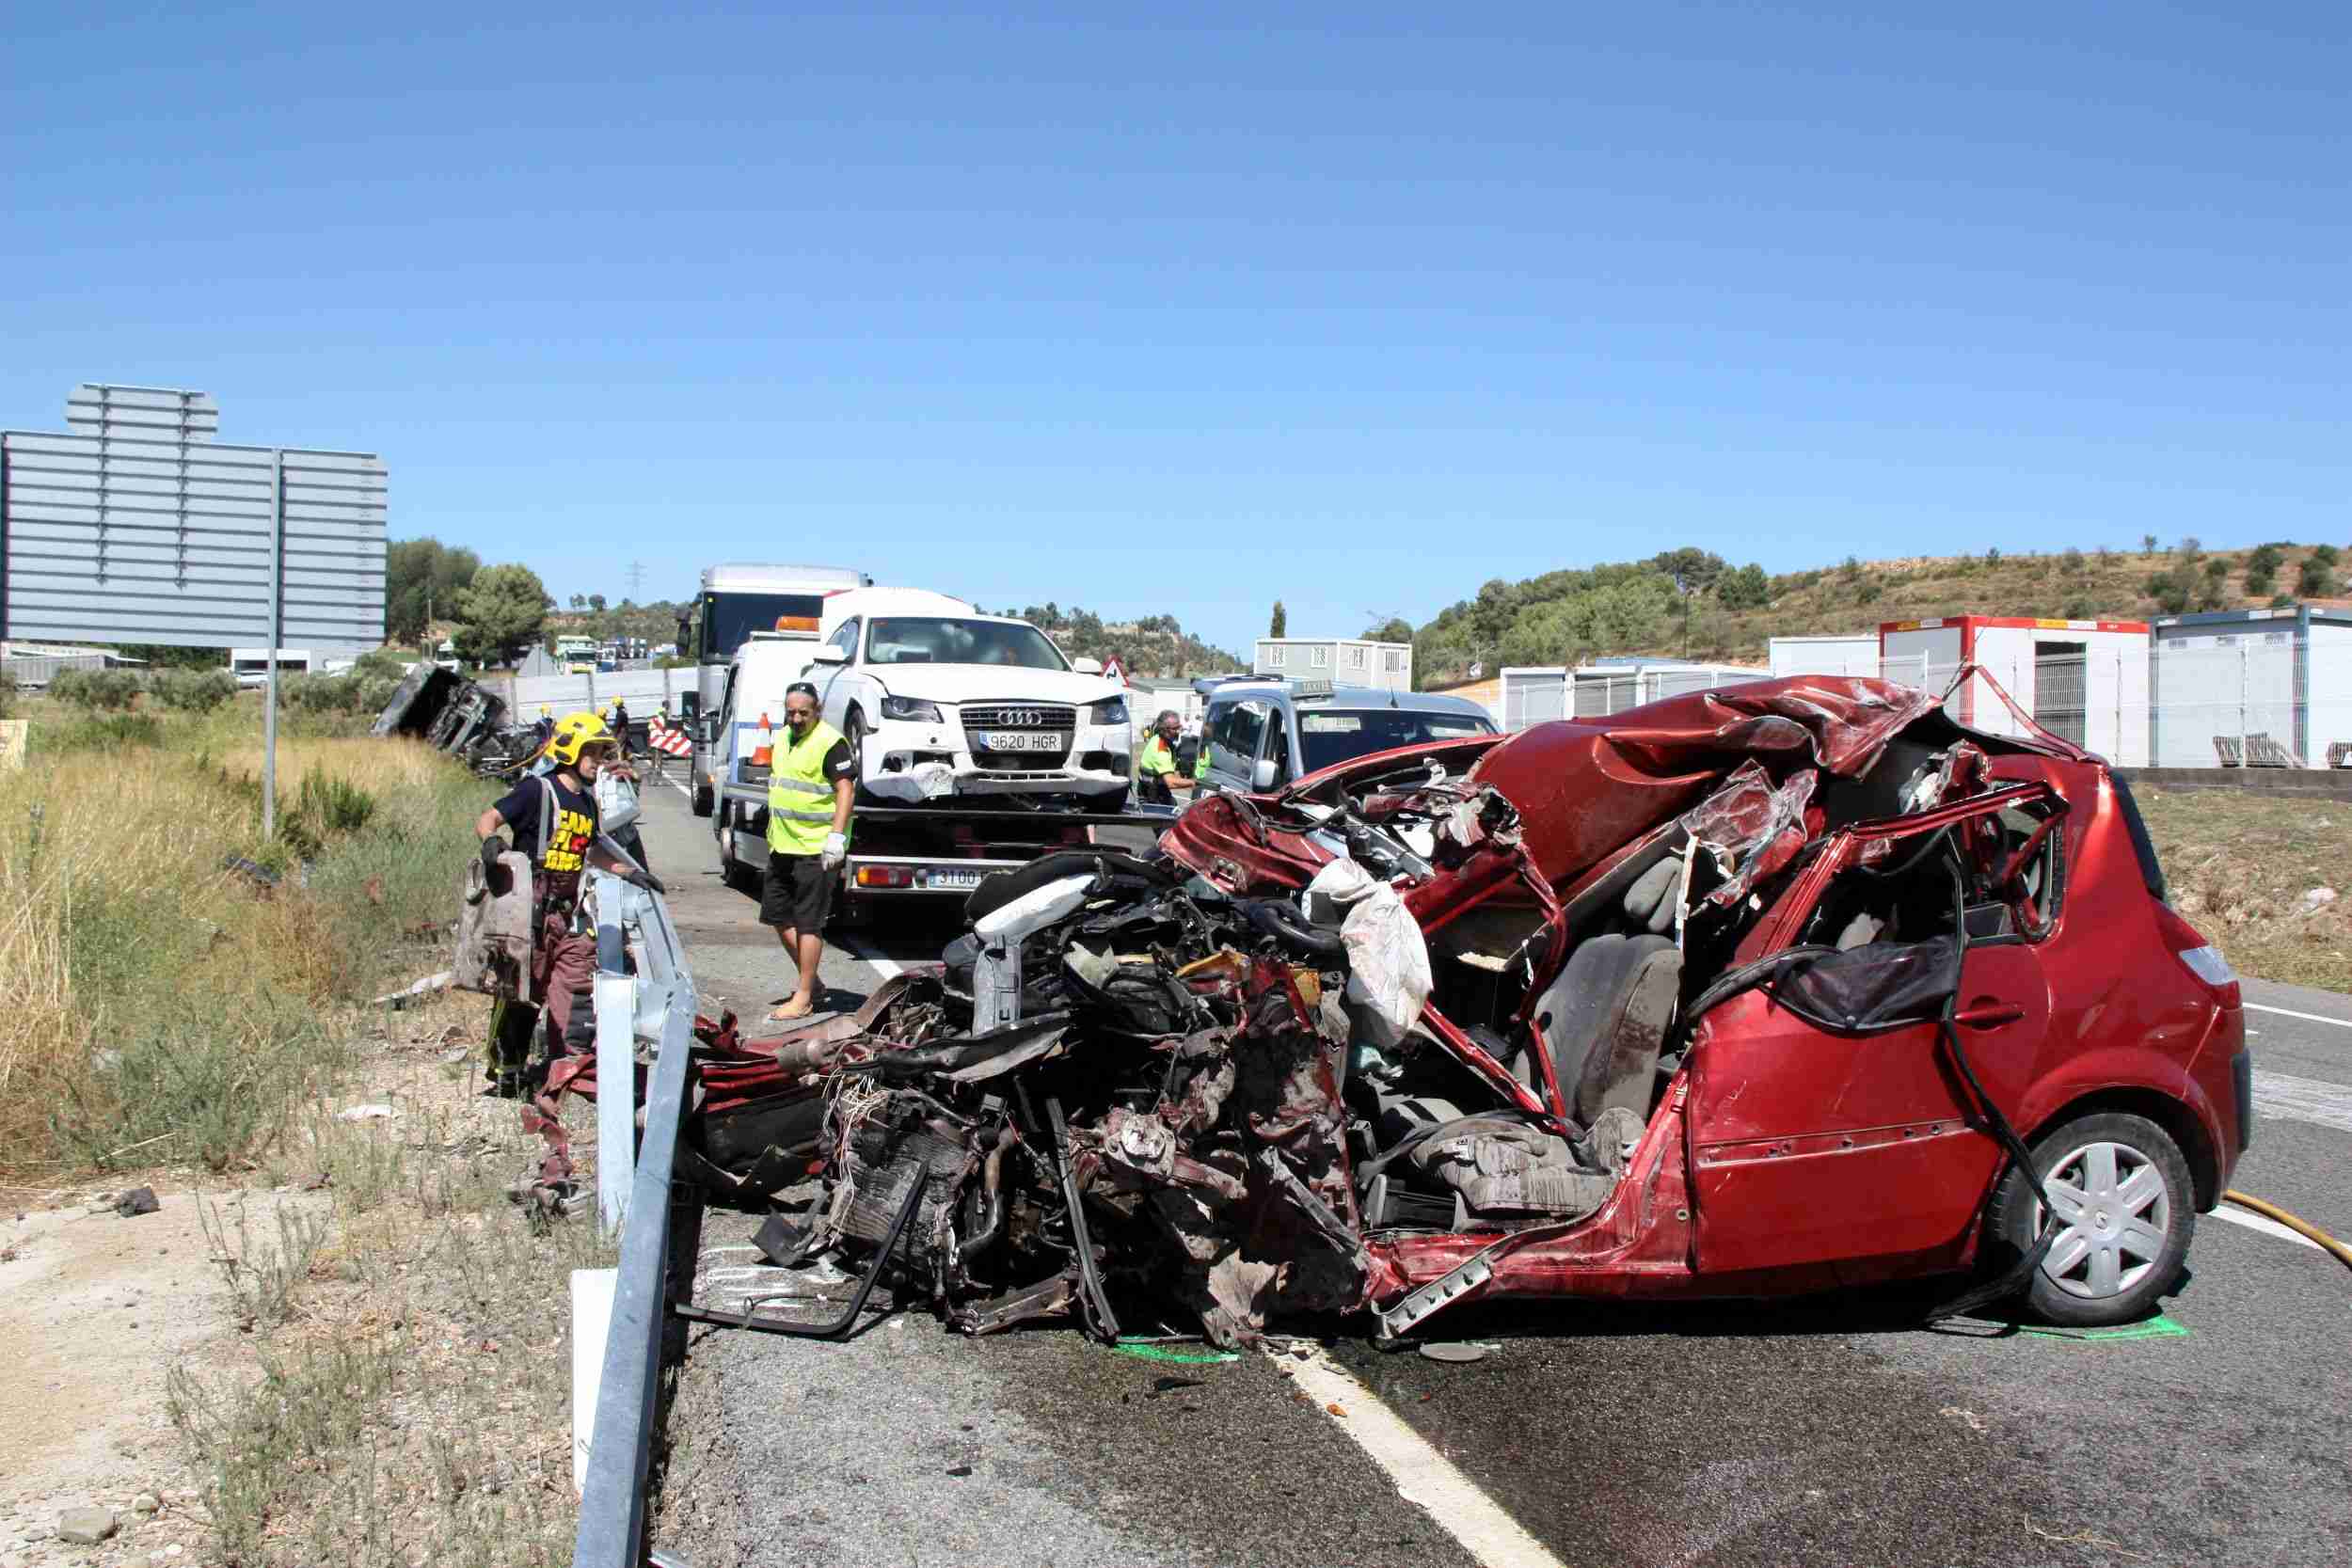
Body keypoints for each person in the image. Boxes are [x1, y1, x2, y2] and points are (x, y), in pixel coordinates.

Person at [474, 711, 663, 1064]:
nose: (598, 762)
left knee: (575, 982)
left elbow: (591, 851)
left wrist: (630, 872)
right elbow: (489, 819)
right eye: (591, 752)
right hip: (529, 914)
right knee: (522, 993)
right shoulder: (537, 790)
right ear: (571, 752)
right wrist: (491, 842)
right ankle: (505, 1067)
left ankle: (567, 1064)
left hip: (566, 914)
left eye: (602, 753)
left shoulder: (588, 802)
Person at [762, 681, 856, 1022]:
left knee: (808, 924)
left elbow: (845, 789)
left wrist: (836, 838)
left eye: (804, 712)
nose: (797, 718)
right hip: (783, 844)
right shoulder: (783, 738)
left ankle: (803, 997)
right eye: (791, 712)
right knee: (777, 917)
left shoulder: (831, 742)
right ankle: (812, 982)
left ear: (817, 710)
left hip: (815, 848)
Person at [1136, 708, 1184, 805]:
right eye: (1174, 729)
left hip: (1151, 790)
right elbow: (1171, 782)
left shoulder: (1157, 738)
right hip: (1153, 797)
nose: (1178, 731)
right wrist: (1194, 782)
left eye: (1179, 727)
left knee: (1173, 804)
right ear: (1164, 729)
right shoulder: (1161, 748)